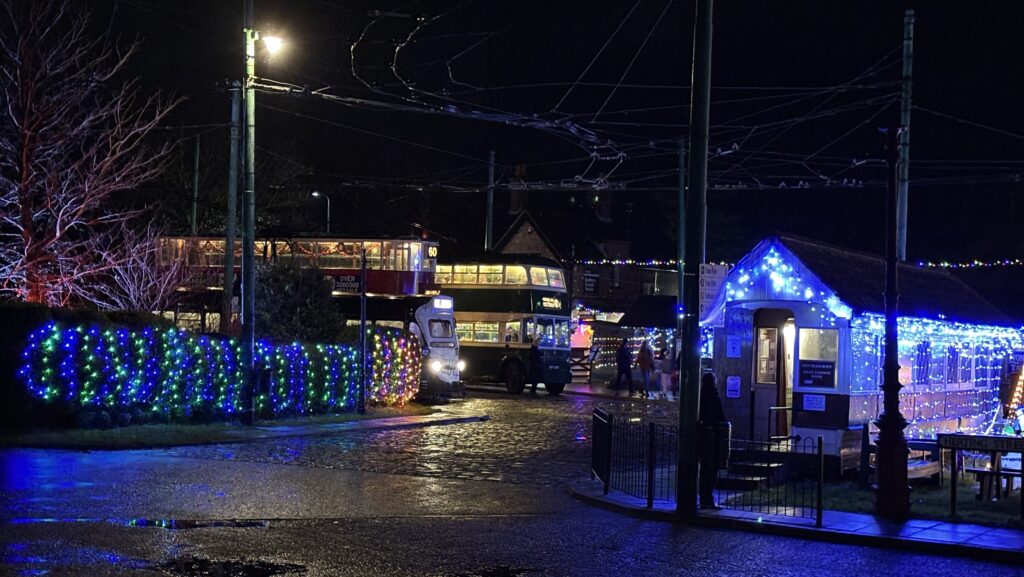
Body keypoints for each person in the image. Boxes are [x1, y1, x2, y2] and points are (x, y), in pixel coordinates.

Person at [698, 371, 728, 510]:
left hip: (704, 436)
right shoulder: (714, 396)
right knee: (712, 469)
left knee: (705, 468)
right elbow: (720, 416)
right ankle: (707, 498)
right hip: (714, 436)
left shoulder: (700, 396)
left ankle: (703, 497)